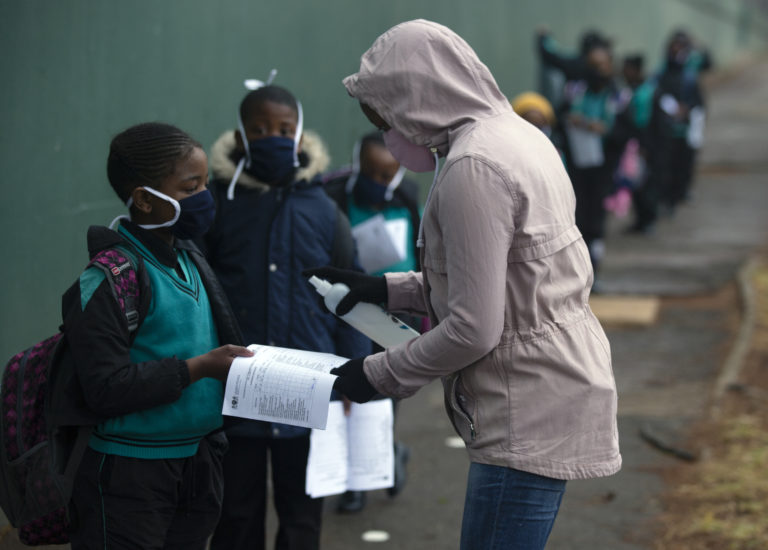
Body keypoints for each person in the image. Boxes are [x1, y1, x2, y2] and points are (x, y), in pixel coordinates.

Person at [306, 19, 621, 550]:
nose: (389, 134)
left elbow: (475, 328)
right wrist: (381, 289)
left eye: (387, 118)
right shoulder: (520, 135)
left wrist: (377, 374)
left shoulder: (474, 167)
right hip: (555, 383)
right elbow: (509, 277)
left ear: (418, 98)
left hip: (524, 407)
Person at [64, 122, 253, 549]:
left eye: (206, 183)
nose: (205, 197)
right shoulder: (107, 281)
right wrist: (199, 368)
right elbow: (104, 387)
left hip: (198, 465)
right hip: (129, 479)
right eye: (191, 188)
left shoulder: (190, 260)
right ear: (146, 200)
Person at [204, 83, 371, 550]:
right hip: (237, 387)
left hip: (309, 387)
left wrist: (353, 373)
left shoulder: (323, 209)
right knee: (236, 513)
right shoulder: (219, 204)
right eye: (259, 129)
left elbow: (349, 292)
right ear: (239, 138)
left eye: (284, 128)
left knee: (302, 513)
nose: (273, 137)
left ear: (300, 137)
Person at [323, 132, 418, 513]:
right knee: (350, 391)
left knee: (386, 394)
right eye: (371, 172)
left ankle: (382, 457)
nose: (379, 181)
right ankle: (357, 482)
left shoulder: (407, 198)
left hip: (398, 314)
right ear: (356, 164)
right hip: (349, 311)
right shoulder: (334, 197)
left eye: (387, 174)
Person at [561, 42, 620, 280]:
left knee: (596, 218)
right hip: (576, 164)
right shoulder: (574, 91)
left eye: (603, 65)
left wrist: (605, 130)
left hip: (604, 166)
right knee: (577, 215)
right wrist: (571, 120)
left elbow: (629, 130)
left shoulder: (618, 95)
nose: (598, 71)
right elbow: (559, 116)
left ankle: (593, 270)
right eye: (593, 66)